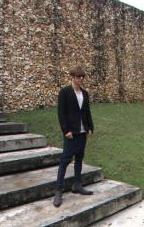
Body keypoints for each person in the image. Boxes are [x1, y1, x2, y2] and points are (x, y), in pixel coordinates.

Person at [53, 66, 94, 207]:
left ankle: (77, 184)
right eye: (78, 76)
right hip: (71, 133)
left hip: (82, 132)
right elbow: (61, 113)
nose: (81, 79)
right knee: (65, 161)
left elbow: (87, 112)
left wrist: (90, 127)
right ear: (72, 77)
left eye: (82, 77)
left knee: (79, 159)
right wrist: (66, 130)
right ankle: (58, 190)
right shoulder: (64, 93)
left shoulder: (85, 94)